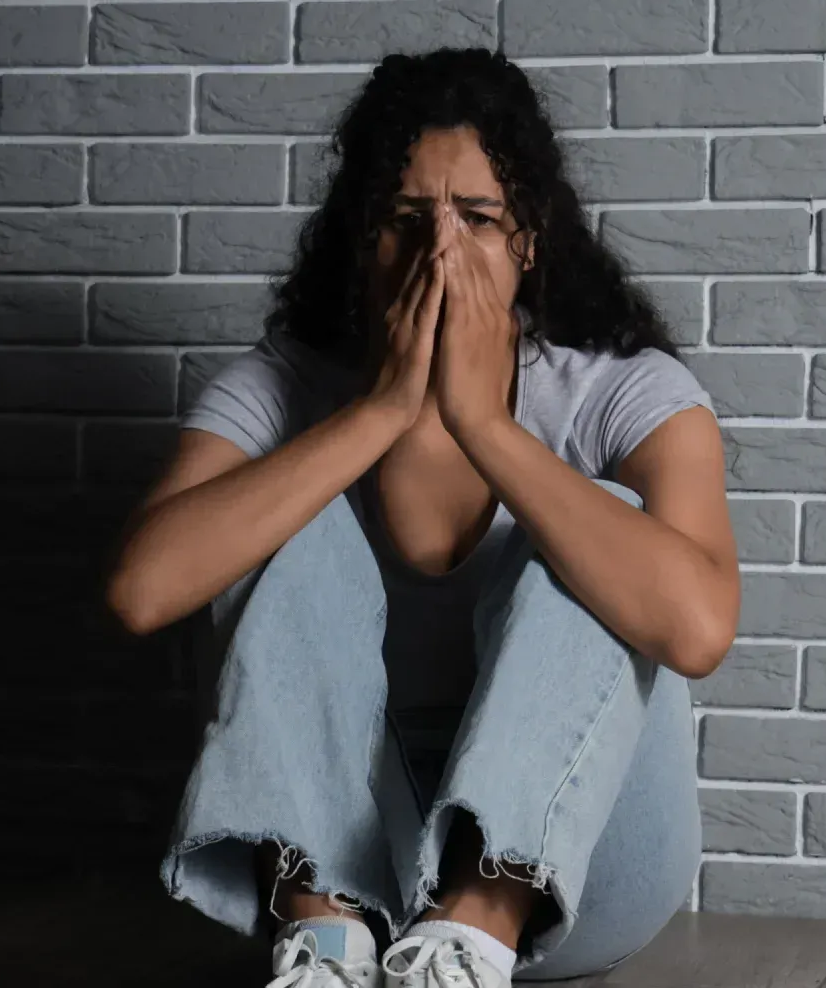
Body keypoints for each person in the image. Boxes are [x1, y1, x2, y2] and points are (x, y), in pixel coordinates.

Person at [105, 48, 741, 988]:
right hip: (360, 862)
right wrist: (380, 413)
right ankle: (326, 947)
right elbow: (143, 591)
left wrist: (485, 423)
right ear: (364, 238)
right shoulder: (285, 386)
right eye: (408, 220)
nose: (443, 252)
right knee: (277, 513)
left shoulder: (624, 393)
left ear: (528, 237)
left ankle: (473, 934)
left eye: (478, 218)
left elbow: (696, 630)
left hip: (583, 866)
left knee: (600, 520)